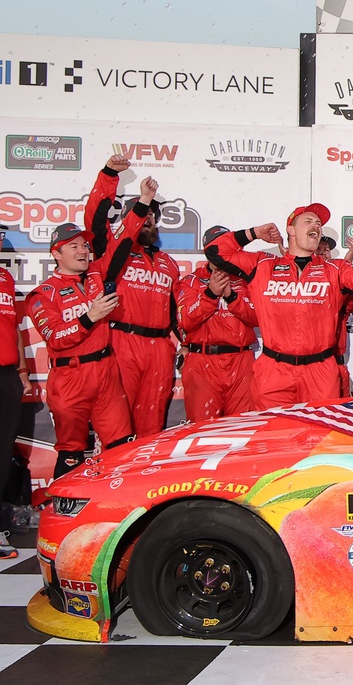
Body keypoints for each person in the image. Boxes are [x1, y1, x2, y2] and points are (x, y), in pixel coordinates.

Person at [205, 203, 353, 409]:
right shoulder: (263, 265)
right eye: (308, 221)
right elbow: (215, 251)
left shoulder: (334, 269)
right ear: (290, 229)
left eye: (318, 224)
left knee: (319, 429)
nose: (316, 226)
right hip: (274, 372)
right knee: (274, 429)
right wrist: (253, 233)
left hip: (320, 373)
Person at [26, 177, 157, 478]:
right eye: (73, 246)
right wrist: (89, 317)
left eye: (84, 245)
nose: (83, 251)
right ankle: (64, 503)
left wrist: (144, 201)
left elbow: (124, 240)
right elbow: (55, 337)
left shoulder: (99, 273)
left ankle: (115, 503)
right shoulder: (43, 294)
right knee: (71, 451)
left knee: (120, 446)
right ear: (56, 253)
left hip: (106, 372)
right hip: (70, 377)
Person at [85, 153, 181, 437]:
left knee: (152, 424)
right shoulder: (112, 252)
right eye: (141, 213)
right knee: (117, 423)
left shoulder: (168, 263)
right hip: (122, 342)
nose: (147, 218)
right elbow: (95, 218)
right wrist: (108, 175)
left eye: (151, 215)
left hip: (160, 348)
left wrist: (186, 343)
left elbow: (176, 311)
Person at [176, 226, 258, 422]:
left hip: (241, 361)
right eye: (218, 246)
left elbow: (257, 318)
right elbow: (185, 320)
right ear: (208, 250)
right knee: (201, 428)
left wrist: (231, 297)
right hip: (202, 361)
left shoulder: (246, 280)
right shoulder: (191, 281)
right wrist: (210, 294)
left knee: (241, 427)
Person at [0, 223, 33, 558]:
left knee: (2, 454)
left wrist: (22, 371)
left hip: (7, 374)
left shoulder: (5, 278)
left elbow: (13, 328)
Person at [316, 235, 353, 397]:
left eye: (327, 250)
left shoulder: (338, 278)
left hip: (336, 362)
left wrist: (348, 262)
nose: (324, 253)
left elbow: (352, 305)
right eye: (319, 249)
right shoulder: (302, 285)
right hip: (311, 365)